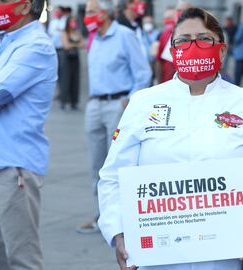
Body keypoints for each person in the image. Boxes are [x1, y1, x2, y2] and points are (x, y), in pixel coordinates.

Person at [97, 7, 243, 270]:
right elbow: (113, 177)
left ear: (221, 50)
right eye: (183, 41)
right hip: (158, 257)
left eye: (204, 39)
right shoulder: (144, 102)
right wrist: (117, 231)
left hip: (229, 255)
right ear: (172, 50)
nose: (193, 46)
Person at [77, 0, 152, 234]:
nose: (87, 16)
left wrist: (129, 100)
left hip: (117, 105)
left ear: (106, 14)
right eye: (86, 12)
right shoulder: (94, 39)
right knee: (96, 165)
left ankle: (126, 218)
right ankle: (104, 217)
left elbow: (143, 72)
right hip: (95, 104)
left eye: (91, 12)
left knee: (119, 165)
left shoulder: (124, 35)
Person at [0, 0, 58, 269]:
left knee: (21, 258)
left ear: (27, 6)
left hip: (14, 167)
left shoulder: (36, 45)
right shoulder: (5, 41)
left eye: (4, 0)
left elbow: (0, 92)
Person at [59, 16, 85, 110]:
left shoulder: (77, 32)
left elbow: (83, 44)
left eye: (75, 21)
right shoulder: (64, 32)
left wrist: (73, 45)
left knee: (75, 80)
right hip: (66, 59)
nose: (73, 23)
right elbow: (66, 46)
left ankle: (74, 102)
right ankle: (63, 101)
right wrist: (76, 45)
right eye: (72, 21)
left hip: (75, 58)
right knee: (66, 79)